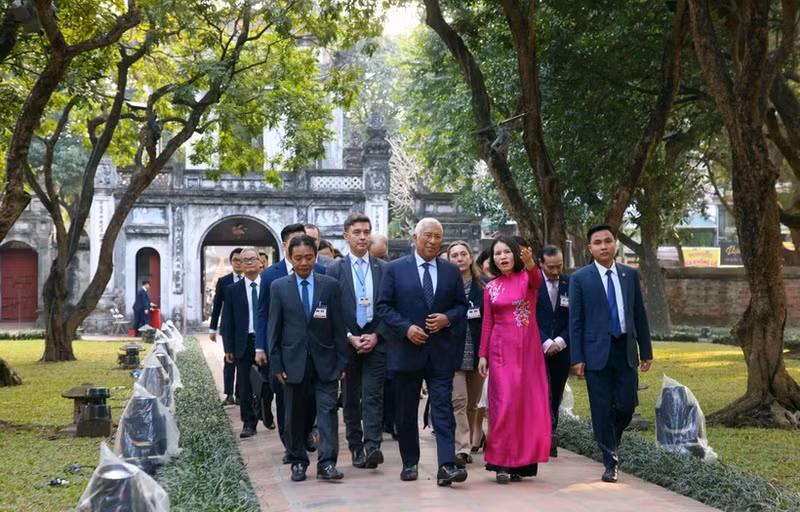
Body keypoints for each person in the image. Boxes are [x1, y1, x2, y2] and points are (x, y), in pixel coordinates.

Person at [376, 218, 469, 487]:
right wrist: (406, 328)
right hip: (406, 351)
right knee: (405, 411)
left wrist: (447, 319)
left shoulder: (451, 271)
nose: (432, 241)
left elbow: (461, 308)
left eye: (437, 237)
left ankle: (447, 465)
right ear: (414, 237)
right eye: (427, 236)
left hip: (440, 353)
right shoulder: (395, 269)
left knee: (442, 407)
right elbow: (383, 307)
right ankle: (409, 462)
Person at [569, 225, 653, 483]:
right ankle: (610, 461)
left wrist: (646, 351)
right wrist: (577, 358)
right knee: (601, 408)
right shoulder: (580, 278)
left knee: (627, 406)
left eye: (608, 241)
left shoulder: (629, 275)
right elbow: (576, 321)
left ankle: (609, 439)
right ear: (590, 248)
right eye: (598, 242)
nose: (604, 246)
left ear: (615, 243)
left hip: (625, 349)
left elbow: (639, 314)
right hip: (596, 353)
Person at [268, 235, 348, 482]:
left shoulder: (329, 285)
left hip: (326, 363)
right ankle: (298, 462)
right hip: (293, 364)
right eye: (299, 258)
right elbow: (274, 328)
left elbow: (338, 326)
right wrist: (277, 364)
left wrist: (342, 362)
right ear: (290, 258)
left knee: (328, 413)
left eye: (309, 257)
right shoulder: (279, 287)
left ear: (316, 257)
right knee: (295, 415)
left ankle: (327, 463)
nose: (304, 263)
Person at [477, 235, 551, 484]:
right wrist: (482, 355)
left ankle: (521, 462)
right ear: (493, 259)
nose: (502, 257)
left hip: (527, 351)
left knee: (525, 407)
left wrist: (531, 263)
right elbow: (487, 322)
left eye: (507, 252)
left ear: (516, 255)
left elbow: (538, 279)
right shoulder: (491, 287)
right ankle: (500, 462)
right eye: (497, 254)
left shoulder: (527, 279)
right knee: (503, 405)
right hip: (500, 351)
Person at [327, 213, 392, 470]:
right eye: (357, 232)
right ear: (346, 236)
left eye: (366, 231)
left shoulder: (385, 269)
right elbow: (331, 312)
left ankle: (372, 446)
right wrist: (349, 336)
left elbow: (390, 307)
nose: (363, 237)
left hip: (376, 340)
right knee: (351, 397)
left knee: (374, 395)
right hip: (347, 343)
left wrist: (377, 334)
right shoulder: (333, 271)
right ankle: (356, 446)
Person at [256, 224, 326, 453]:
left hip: (315, 351)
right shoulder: (270, 275)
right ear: (286, 245)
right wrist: (262, 347)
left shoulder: (321, 272)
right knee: (286, 399)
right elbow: (264, 314)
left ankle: (306, 430)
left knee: (312, 399)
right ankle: (290, 444)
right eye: (296, 241)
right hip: (284, 350)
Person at [447, 241, 487, 467]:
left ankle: (468, 441)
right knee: (458, 402)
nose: (460, 258)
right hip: (453, 354)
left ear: (471, 258)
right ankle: (461, 449)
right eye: (455, 255)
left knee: (472, 404)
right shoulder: (444, 286)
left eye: (464, 254)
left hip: (478, 354)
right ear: (449, 260)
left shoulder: (484, 287)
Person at [220, 248, 264, 438]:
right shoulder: (233, 290)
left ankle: (265, 412)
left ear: (260, 262)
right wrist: (228, 348)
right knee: (244, 385)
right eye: (244, 260)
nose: (248, 263)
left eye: (252, 259)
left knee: (268, 384)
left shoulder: (271, 286)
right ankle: (248, 422)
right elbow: (227, 320)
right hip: (242, 342)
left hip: (265, 341)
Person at [535, 245, 571, 457]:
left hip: (562, 349)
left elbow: (575, 317)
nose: (556, 271)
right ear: (540, 263)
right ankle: (545, 434)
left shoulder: (569, 282)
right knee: (542, 391)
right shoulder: (532, 283)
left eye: (559, 266)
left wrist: (560, 341)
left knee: (555, 393)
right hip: (537, 348)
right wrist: (546, 342)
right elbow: (527, 315)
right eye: (551, 267)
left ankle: (551, 431)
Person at [209, 248, 244, 406]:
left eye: (241, 260)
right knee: (230, 359)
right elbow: (217, 306)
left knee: (243, 362)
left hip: (246, 329)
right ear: (231, 262)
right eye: (235, 260)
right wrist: (212, 329)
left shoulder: (252, 281)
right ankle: (229, 394)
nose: (238, 263)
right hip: (229, 328)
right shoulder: (224, 281)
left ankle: (240, 394)